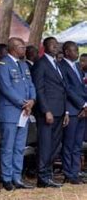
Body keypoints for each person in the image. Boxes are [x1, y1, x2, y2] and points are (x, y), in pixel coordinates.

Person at [0, 37, 36, 191]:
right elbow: (6, 88)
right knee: (8, 147)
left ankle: (17, 178)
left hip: (24, 112)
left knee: (20, 147)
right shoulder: (3, 64)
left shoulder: (23, 64)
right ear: (13, 48)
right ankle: (6, 178)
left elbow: (30, 84)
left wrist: (32, 100)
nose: (24, 49)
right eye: (22, 47)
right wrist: (23, 103)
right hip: (10, 112)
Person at [32, 37, 68, 188]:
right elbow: (39, 89)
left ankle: (48, 173)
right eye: (52, 45)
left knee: (54, 145)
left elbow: (63, 89)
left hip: (60, 110)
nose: (55, 47)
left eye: (56, 45)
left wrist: (66, 111)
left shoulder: (57, 64)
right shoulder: (41, 64)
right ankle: (42, 177)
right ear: (44, 47)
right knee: (45, 145)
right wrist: (46, 110)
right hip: (48, 112)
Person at [58, 41, 86, 185]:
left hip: (82, 111)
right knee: (68, 144)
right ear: (67, 52)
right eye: (74, 50)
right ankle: (68, 173)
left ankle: (75, 172)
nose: (77, 52)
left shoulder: (76, 66)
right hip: (72, 110)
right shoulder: (61, 66)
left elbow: (82, 88)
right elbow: (67, 89)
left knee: (77, 144)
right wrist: (83, 105)